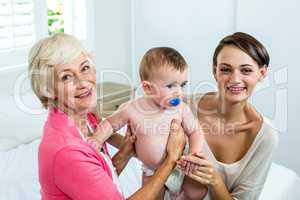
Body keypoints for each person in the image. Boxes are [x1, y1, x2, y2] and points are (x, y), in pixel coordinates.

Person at [28, 33, 186, 200]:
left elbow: (96, 183)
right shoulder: (67, 152)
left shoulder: (87, 119)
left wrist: (124, 153)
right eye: (66, 77)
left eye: (84, 68)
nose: (83, 83)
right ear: (48, 90)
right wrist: (171, 159)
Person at [88, 47, 207, 199]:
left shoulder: (181, 109)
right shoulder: (133, 109)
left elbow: (195, 131)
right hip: (152, 171)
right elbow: (110, 124)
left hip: (180, 167)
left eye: (182, 85)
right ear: (148, 88)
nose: (178, 92)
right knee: (151, 195)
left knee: (198, 191)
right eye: (170, 86)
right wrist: (97, 138)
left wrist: (194, 153)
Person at [177, 32, 279, 199]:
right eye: (225, 69)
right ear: (214, 71)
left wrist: (214, 180)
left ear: (262, 73)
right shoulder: (183, 107)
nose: (235, 79)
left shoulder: (265, 137)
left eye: (246, 70)